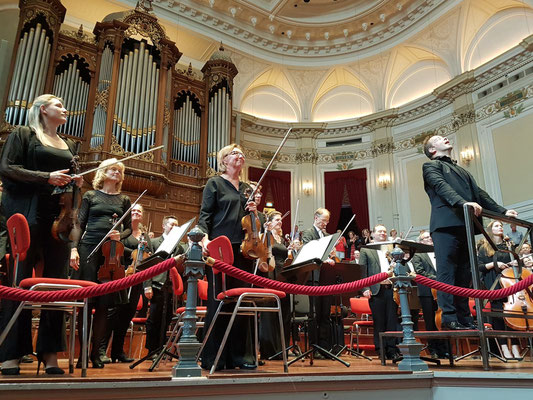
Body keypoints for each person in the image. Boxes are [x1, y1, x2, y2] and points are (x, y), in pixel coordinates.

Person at [0, 94, 82, 375]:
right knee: (19, 280)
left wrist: (76, 183)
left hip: (58, 220)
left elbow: (73, 185)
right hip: (27, 213)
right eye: (59, 104)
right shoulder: (23, 134)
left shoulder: (70, 144)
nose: (65, 108)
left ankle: (49, 352)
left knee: (56, 285)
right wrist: (45, 177)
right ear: (43, 109)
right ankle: (11, 352)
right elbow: (7, 169)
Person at [422, 135, 517, 330]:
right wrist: (463, 203)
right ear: (432, 150)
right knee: (447, 272)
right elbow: (442, 187)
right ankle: (449, 317)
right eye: (439, 138)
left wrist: (503, 211)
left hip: (466, 225)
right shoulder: (430, 166)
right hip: (445, 226)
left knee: (464, 274)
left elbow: (480, 194)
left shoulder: (462, 171)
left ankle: (465, 318)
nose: (446, 138)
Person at [197, 143, 257, 371]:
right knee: (219, 302)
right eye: (234, 153)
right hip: (220, 249)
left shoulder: (246, 188)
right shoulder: (214, 183)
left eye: (242, 153)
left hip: (243, 250)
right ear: (224, 160)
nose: (239, 155)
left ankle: (239, 357)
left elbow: (252, 224)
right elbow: (205, 216)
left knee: (240, 304)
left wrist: (253, 211)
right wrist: (204, 240)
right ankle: (215, 357)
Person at [70, 158, 132, 368]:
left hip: (111, 254)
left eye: (119, 171)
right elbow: (79, 223)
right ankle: (81, 356)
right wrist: (73, 248)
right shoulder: (90, 195)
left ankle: (96, 354)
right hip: (89, 248)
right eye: (113, 169)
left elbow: (129, 228)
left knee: (104, 306)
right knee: (87, 304)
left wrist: (119, 236)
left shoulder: (124, 199)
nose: (116, 172)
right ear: (103, 172)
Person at [100, 203, 153, 363]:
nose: (136, 212)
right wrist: (136, 252)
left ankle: (118, 351)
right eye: (133, 210)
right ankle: (102, 350)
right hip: (120, 276)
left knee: (127, 315)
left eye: (139, 210)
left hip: (136, 278)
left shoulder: (145, 235)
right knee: (112, 314)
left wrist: (144, 253)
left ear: (142, 215)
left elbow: (149, 254)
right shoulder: (124, 231)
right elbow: (116, 247)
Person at [477, 220, 521, 360]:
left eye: (501, 225)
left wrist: (515, 262)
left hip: (510, 282)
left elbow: (517, 262)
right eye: (496, 225)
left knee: (513, 315)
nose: (500, 227)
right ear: (490, 230)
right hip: (494, 282)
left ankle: (515, 346)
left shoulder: (509, 244)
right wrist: (495, 264)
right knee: (498, 316)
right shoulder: (484, 247)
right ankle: (503, 347)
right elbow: (480, 266)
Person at [258, 210, 297, 359]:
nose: (280, 222)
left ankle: (283, 349)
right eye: (277, 220)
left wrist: (290, 250)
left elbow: (286, 257)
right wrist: (265, 232)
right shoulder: (265, 236)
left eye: (281, 220)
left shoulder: (281, 239)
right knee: (270, 313)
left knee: (285, 314)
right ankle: (270, 350)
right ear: (269, 222)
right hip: (270, 275)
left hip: (284, 277)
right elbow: (262, 253)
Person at [144, 215, 183, 356]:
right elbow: (147, 266)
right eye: (172, 224)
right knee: (154, 318)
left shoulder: (178, 247)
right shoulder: (154, 242)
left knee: (166, 318)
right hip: (156, 284)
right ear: (164, 226)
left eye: (176, 225)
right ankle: (151, 350)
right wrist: (147, 285)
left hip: (170, 286)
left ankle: (161, 348)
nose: (174, 227)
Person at [360, 224, 401, 361]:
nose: (382, 233)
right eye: (379, 231)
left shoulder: (392, 249)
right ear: (373, 234)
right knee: (379, 322)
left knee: (392, 321)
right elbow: (362, 271)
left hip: (391, 289)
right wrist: (365, 288)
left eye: (384, 231)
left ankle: (392, 349)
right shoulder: (367, 249)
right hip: (376, 290)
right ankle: (381, 349)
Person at [301, 208, 335, 355]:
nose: (326, 224)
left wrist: (332, 254)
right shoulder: (308, 233)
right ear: (316, 218)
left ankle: (325, 347)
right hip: (313, 278)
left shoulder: (328, 236)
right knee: (314, 314)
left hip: (325, 279)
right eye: (323, 220)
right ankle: (314, 348)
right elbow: (309, 251)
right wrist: (324, 257)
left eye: (327, 221)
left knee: (325, 314)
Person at [411, 231, 448, 358]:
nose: (430, 239)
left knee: (443, 320)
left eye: (430, 237)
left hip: (443, 291)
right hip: (427, 292)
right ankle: (434, 349)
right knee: (430, 322)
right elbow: (420, 272)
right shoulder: (417, 254)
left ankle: (445, 349)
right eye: (426, 238)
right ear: (421, 242)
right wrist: (438, 278)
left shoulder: (439, 251)